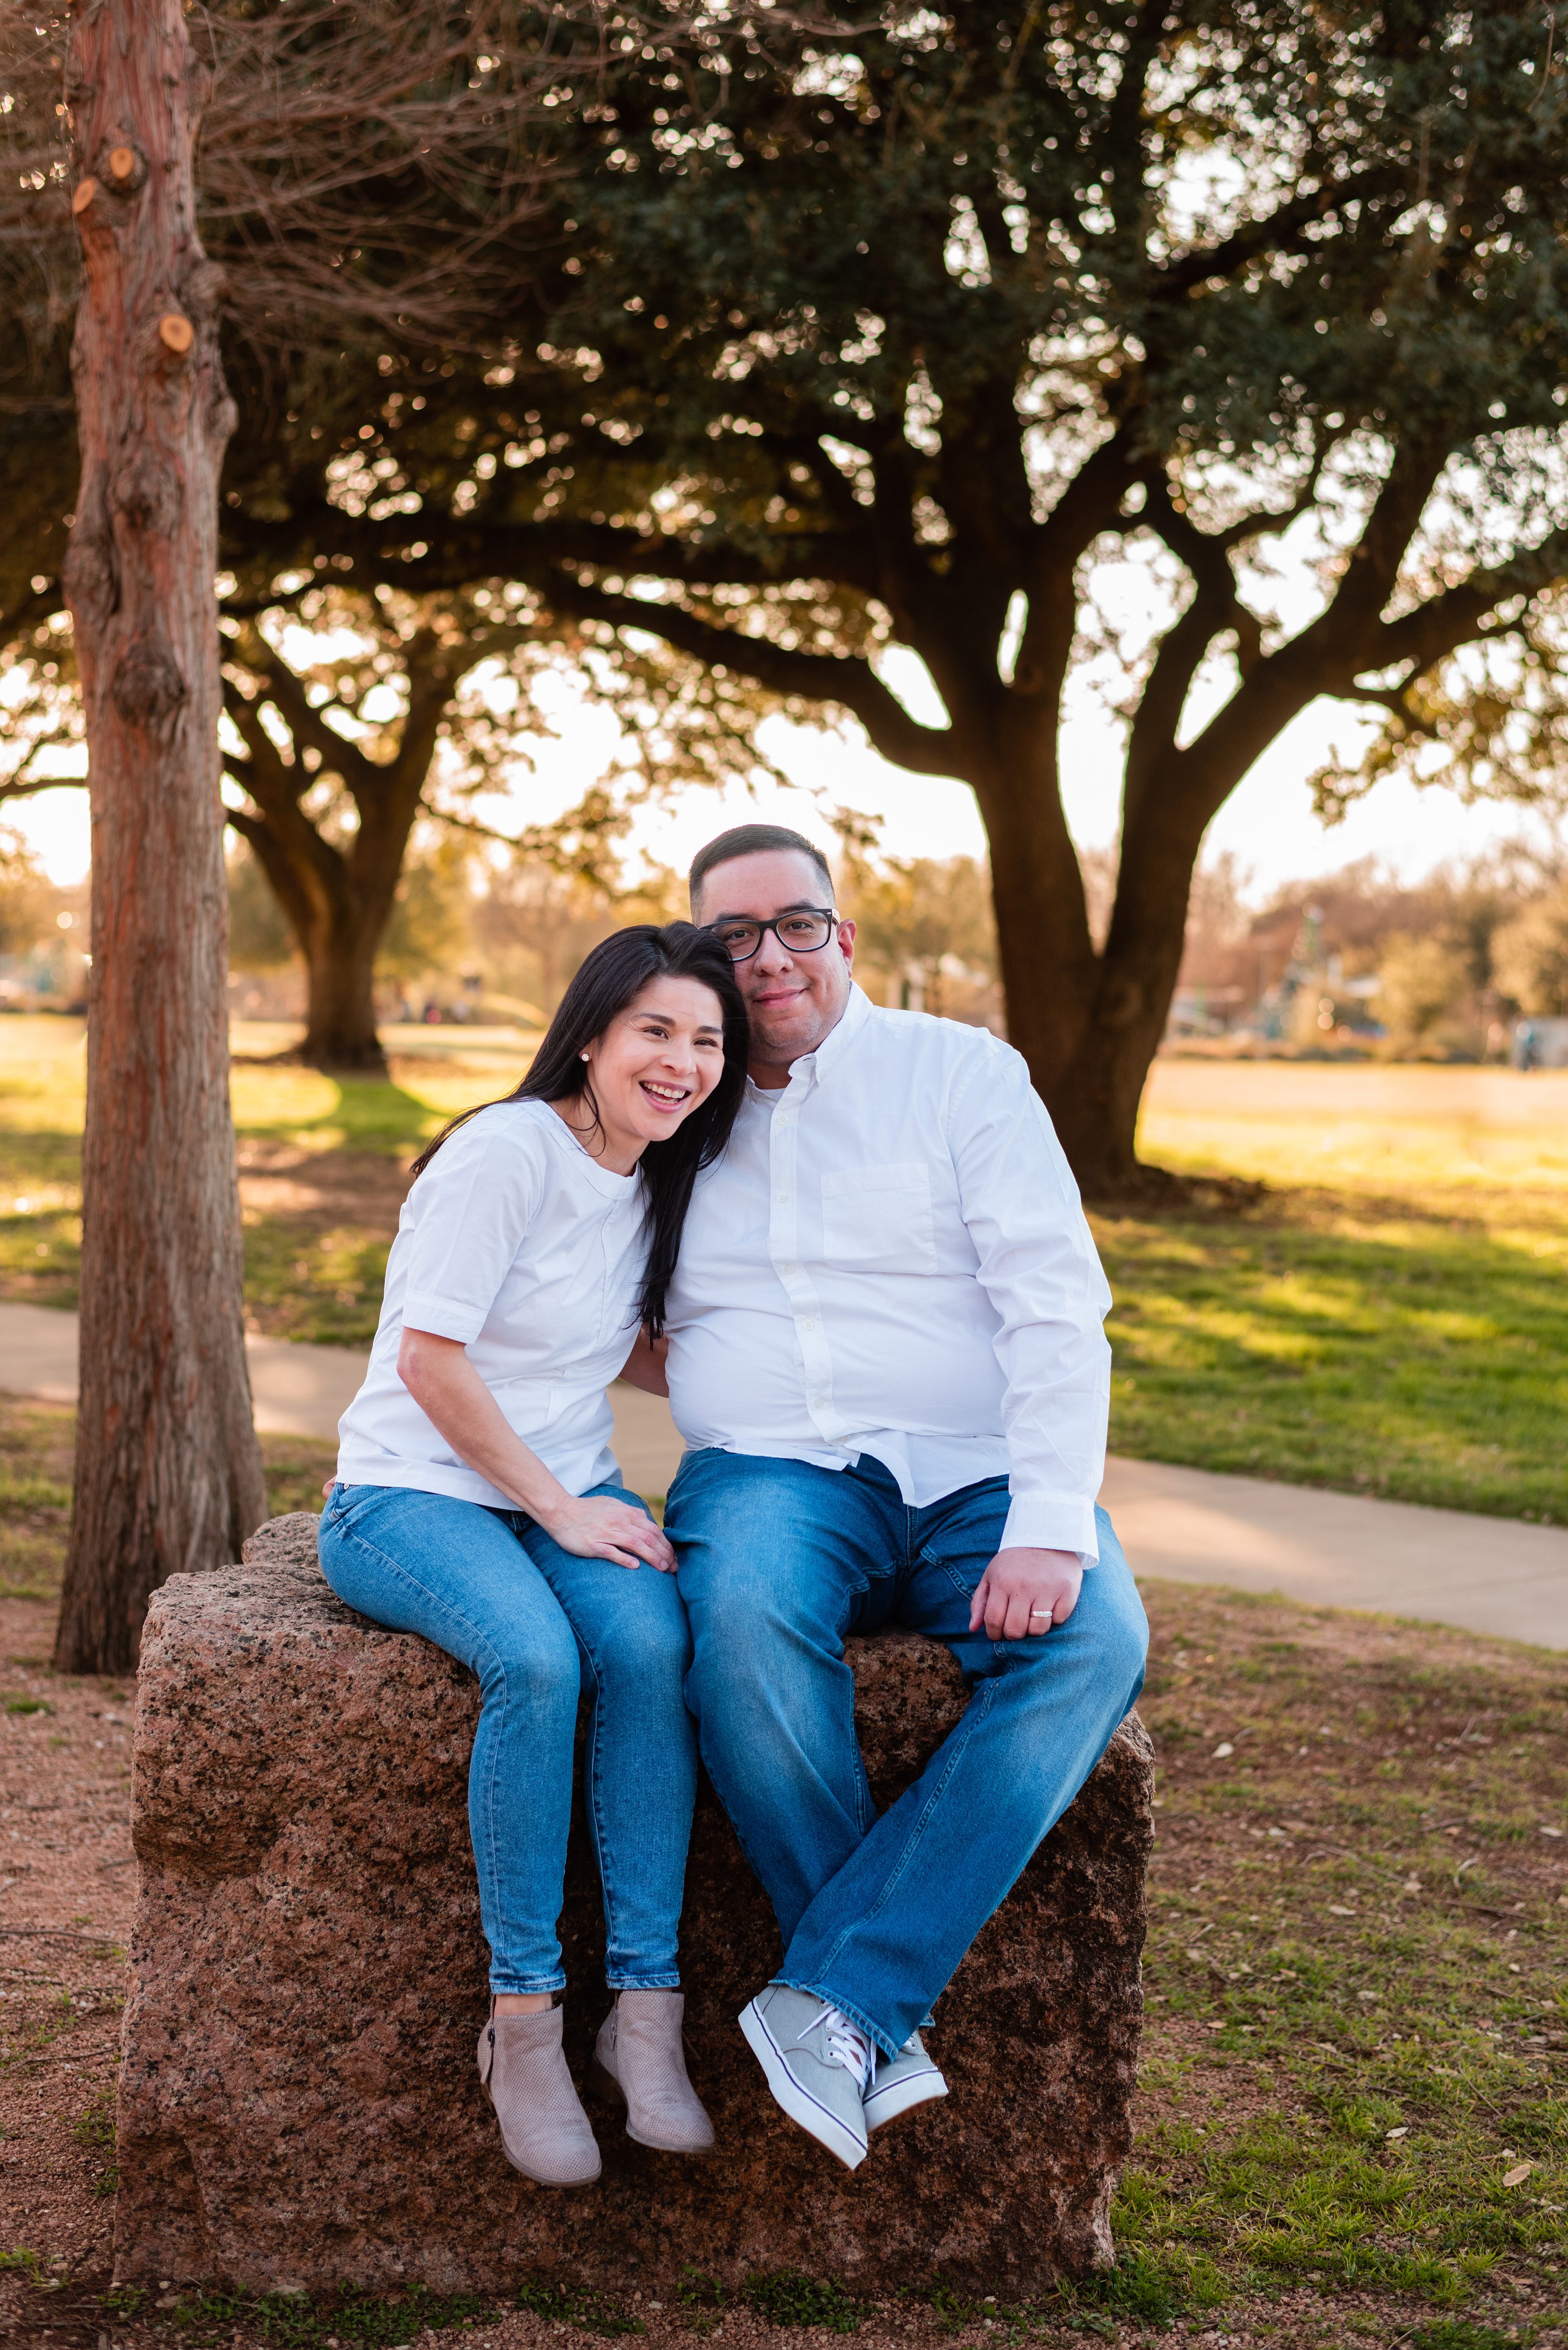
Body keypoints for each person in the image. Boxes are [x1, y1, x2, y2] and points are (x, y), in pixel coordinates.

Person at [624, 824, 1148, 2172]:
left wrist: (1047, 1519)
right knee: (735, 1618)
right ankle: (862, 2013)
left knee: (1096, 1637)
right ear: (703, 959)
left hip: (974, 1466)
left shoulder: (961, 1075)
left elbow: (1054, 1302)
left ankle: (838, 1999)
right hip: (775, 1474)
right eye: (733, 939)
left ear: (843, 934)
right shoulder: (678, 1098)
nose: (769, 958)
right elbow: (567, 1263)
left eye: (796, 924)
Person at [318, 924, 747, 2188]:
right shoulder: (504, 1153)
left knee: (651, 1643)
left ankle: (645, 2012)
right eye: (657, 1032)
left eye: (707, 1040)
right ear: (595, 1034)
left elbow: (606, 1343)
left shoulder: (650, 1172)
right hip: (409, 1496)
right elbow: (430, 1359)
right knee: (538, 1661)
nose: (681, 1062)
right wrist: (563, 1508)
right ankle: (524, 2024)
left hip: (552, 1484)